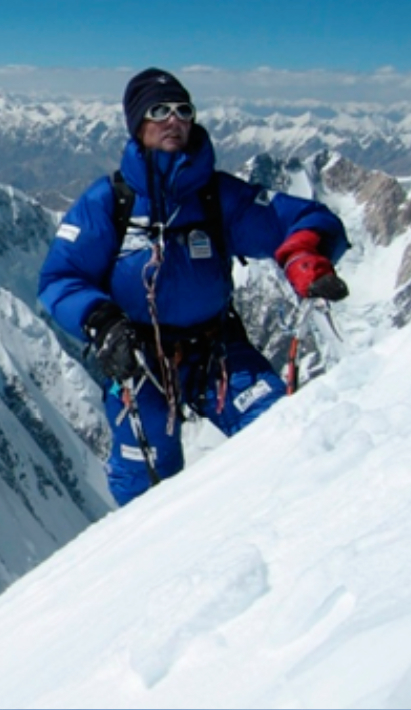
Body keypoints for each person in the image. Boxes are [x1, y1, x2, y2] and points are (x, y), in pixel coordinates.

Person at [38, 68, 350, 507]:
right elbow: (59, 279)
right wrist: (101, 321)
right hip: (140, 360)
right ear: (137, 124)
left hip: (218, 351)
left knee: (281, 429)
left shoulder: (217, 197)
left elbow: (307, 218)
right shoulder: (108, 203)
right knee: (145, 484)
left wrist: (303, 254)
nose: (174, 120)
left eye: (183, 110)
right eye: (159, 110)